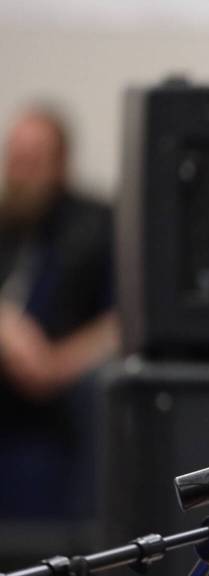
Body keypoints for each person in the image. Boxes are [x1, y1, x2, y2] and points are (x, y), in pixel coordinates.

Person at [0, 105, 119, 518]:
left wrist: (56, 365)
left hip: (68, 399)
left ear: (60, 164)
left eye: (33, 161)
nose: (20, 173)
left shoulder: (97, 226)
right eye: (15, 160)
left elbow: (122, 322)